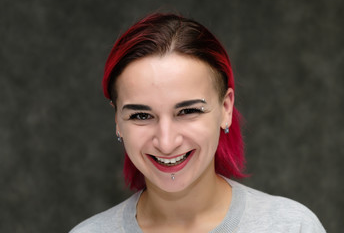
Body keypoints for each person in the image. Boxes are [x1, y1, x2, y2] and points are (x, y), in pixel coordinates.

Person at [70, 13, 325, 233]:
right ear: (117, 120)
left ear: (226, 108)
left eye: (188, 111)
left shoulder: (293, 227)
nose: (167, 142)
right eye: (141, 115)